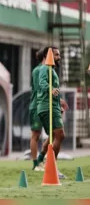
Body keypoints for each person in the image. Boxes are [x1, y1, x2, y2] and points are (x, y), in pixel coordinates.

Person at [36, 46, 68, 179]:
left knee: (55, 136)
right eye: (56, 55)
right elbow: (42, 82)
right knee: (59, 135)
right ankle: (51, 167)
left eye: (59, 55)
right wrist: (50, 90)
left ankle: (43, 162)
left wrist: (58, 101)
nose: (59, 57)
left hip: (51, 106)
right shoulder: (45, 68)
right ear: (48, 56)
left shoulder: (52, 70)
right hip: (47, 107)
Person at [29, 48, 45, 172]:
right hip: (38, 105)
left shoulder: (47, 70)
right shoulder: (38, 70)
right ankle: (35, 164)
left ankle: (41, 159)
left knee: (57, 133)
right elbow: (40, 89)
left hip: (45, 105)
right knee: (36, 135)